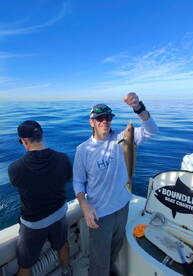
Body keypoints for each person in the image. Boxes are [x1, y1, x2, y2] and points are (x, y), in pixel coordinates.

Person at [73, 92, 158, 276]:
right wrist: (84, 206)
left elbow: (152, 130)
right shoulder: (83, 150)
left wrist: (138, 108)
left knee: (115, 250)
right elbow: (78, 181)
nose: (105, 121)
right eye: (100, 118)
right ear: (92, 122)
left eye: (108, 118)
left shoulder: (123, 137)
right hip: (100, 214)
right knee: (99, 260)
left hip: (123, 207)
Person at [8, 120, 73, 276]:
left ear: (24, 141)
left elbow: (18, 184)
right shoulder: (63, 159)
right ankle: (66, 271)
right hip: (59, 214)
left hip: (34, 224)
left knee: (25, 264)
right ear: (41, 136)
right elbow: (68, 179)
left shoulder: (15, 168)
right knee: (62, 244)